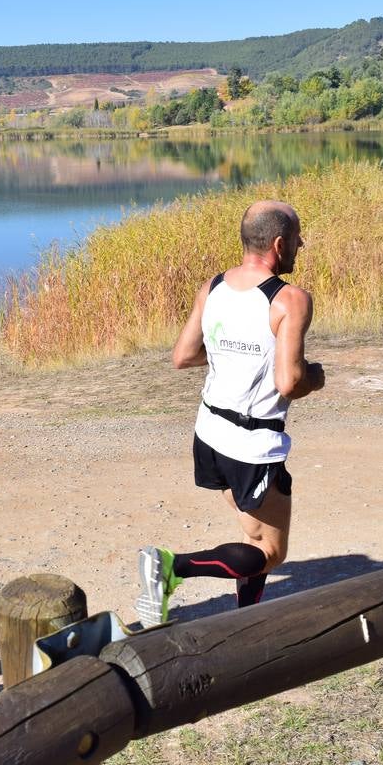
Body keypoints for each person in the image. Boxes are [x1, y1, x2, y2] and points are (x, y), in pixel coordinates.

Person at [135, 200, 324, 628]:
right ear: (279, 244)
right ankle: (169, 566)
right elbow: (290, 382)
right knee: (270, 552)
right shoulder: (290, 299)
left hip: (210, 432)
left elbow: (183, 356)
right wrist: (316, 376)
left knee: (250, 533)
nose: (301, 244)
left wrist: (232, 357)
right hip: (251, 443)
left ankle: (247, 622)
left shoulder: (213, 286)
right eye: (297, 238)